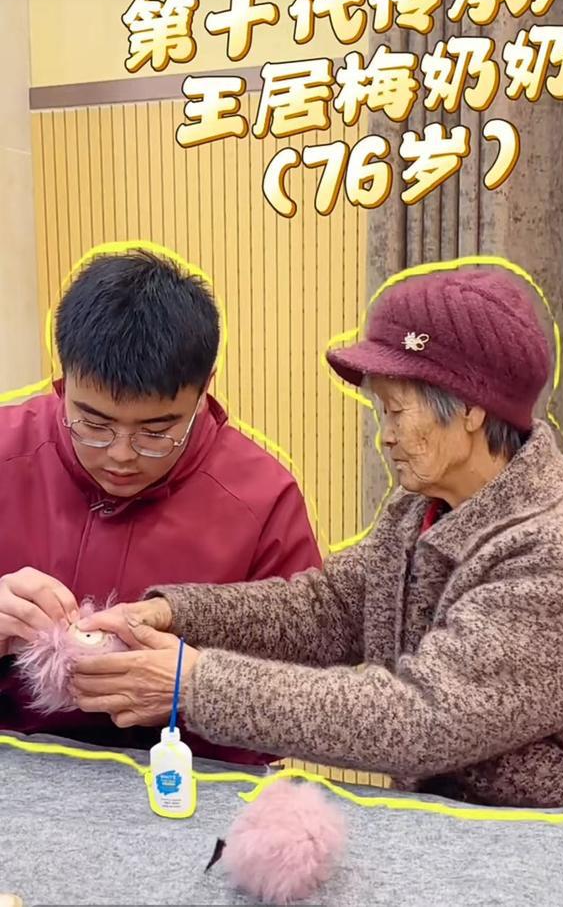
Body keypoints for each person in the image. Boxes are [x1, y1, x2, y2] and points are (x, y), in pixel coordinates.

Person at [72, 267, 563, 818]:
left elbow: (422, 719)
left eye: (395, 411)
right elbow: (329, 610)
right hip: (460, 828)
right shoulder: (421, 509)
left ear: (471, 409)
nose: (384, 437)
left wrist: (195, 685)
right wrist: (174, 614)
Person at [0, 249, 322, 762]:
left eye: (156, 431)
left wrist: (194, 690)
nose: (121, 455)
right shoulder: (7, 449)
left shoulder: (262, 499)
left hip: (190, 782)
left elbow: (305, 691)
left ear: (204, 391)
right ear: (63, 378)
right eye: (93, 423)